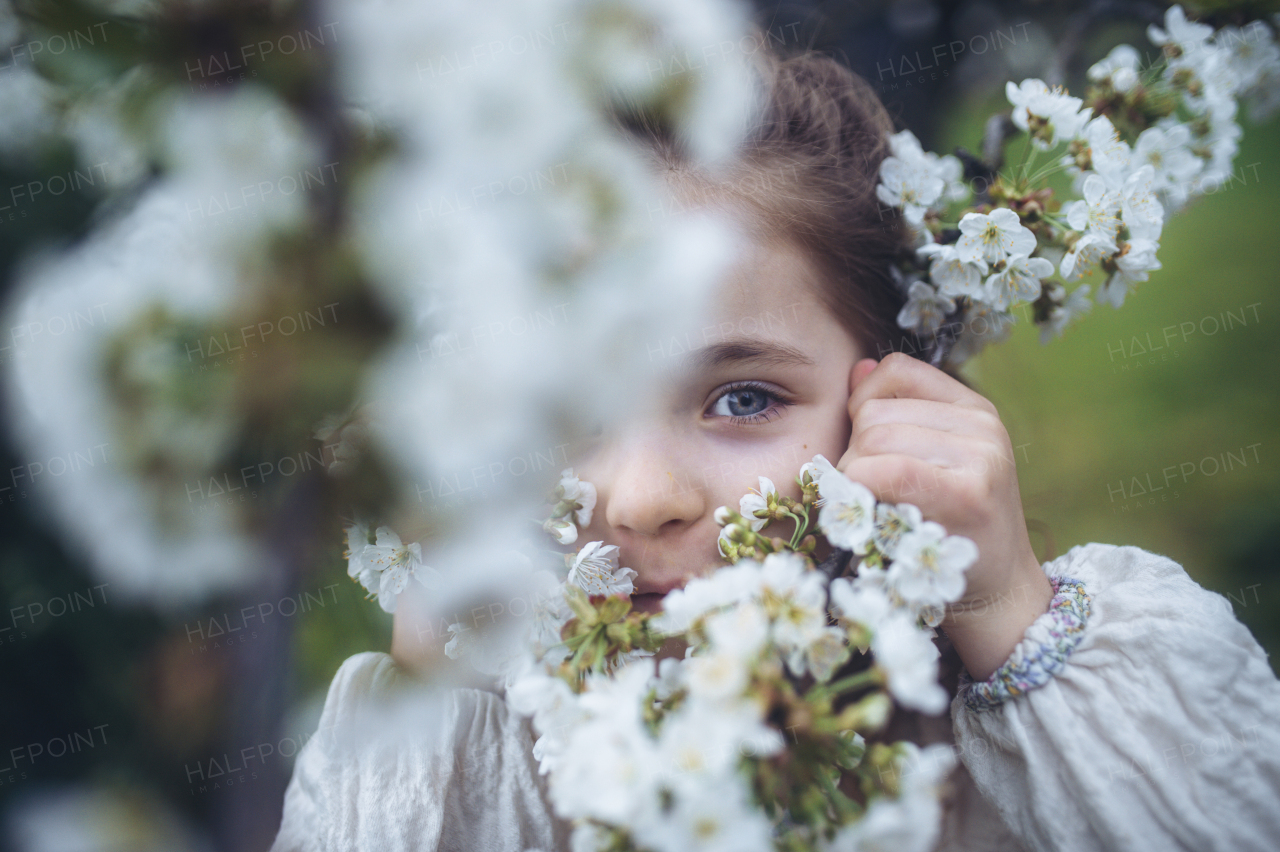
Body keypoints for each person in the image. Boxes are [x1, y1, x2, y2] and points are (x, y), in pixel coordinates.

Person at [270, 41, 1280, 852]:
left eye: (742, 397)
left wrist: (1009, 613)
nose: (641, 498)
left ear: (894, 393)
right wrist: (441, 723)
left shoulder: (1036, 753)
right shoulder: (466, 769)